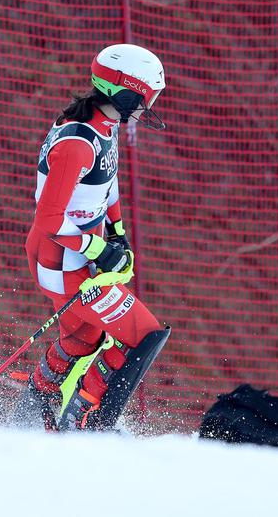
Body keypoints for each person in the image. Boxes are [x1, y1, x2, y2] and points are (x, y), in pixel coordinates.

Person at [13, 43, 170, 431]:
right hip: (61, 261)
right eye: (146, 97)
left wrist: (117, 233)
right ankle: (86, 423)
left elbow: (107, 180)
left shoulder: (104, 124)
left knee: (85, 336)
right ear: (126, 89)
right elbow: (49, 219)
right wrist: (99, 249)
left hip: (77, 258)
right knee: (144, 335)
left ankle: (31, 412)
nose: (146, 108)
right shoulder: (77, 142)